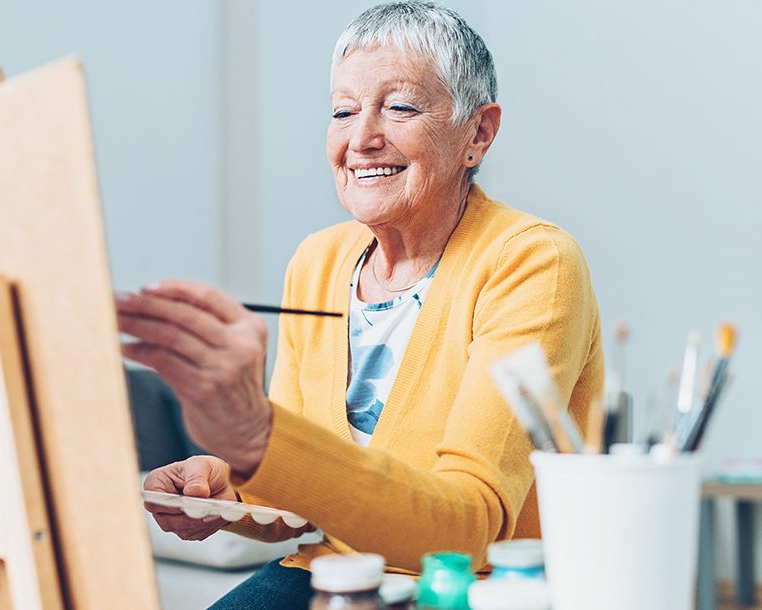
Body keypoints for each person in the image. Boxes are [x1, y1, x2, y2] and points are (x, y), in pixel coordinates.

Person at [115, 2, 603, 607]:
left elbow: (468, 529)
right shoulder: (316, 261)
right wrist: (230, 488)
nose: (361, 139)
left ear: (477, 133)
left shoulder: (532, 262)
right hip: (325, 574)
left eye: (399, 107)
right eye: (343, 111)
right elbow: (303, 488)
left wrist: (258, 438)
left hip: (460, 587)